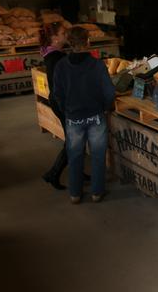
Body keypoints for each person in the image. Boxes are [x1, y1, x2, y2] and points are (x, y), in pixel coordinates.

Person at [53, 27, 115, 204]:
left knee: (75, 155)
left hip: (73, 117)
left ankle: (75, 194)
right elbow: (109, 92)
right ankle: (97, 192)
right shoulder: (97, 65)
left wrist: (67, 110)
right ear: (88, 42)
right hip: (96, 116)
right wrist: (105, 107)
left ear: (69, 43)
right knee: (97, 154)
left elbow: (57, 93)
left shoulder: (61, 66)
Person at [40, 22, 68, 190]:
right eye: (63, 32)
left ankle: (77, 171)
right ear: (55, 38)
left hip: (57, 101)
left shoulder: (52, 55)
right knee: (73, 142)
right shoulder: (57, 58)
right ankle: (53, 174)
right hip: (62, 102)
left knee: (73, 140)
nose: (66, 34)